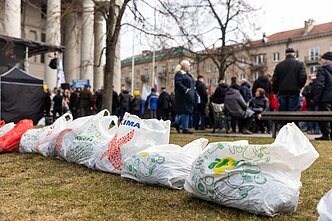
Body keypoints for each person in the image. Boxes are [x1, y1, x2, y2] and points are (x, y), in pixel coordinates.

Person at [313, 51, 332, 140]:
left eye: (322, 59)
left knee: (323, 117)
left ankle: (325, 135)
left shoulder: (322, 69)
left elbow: (320, 85)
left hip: (326, 98)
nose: (320, 60)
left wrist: (316, 98)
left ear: (326, 60)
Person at [173, 60, 196, 134]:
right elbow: (178, 83)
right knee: (185, 111)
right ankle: (185, 128)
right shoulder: (179, 74)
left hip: (189, 96)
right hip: (183, 96)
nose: (189, 67)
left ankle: (177, 124)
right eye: (188, 65)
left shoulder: (188, 75)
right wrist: (186, 90)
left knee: (188, 111)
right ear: (185, 66)